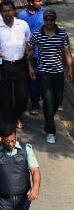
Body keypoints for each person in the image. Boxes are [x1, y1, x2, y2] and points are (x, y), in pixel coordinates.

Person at [26, 9, 73, 144]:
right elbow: (28, 49)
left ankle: (48, 119)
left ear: (55, 19)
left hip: (58, 72)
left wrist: (70, 69)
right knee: (47, 100)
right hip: (43, 72)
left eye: (51, 19)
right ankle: (51, 131)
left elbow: (67, 53)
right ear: (44, 20)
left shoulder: (62, 34)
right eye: (47, 19)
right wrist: (29, 66)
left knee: (58, 99)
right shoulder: (37, 34)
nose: (49, 22)